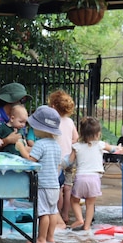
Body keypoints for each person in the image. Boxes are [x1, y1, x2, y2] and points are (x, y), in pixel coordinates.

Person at [14, 105, 63, 243]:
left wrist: (21, 148)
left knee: (43, 213)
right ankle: (50, 237)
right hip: (54, 185)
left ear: (41, 128)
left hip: (43, 185)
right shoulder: (56, 145)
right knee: (53, 212)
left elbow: (31, 161)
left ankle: (41, 238)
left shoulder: (40, 144)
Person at [64, 117, 123, 231]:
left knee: (74, 200)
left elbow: (69, 161)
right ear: (98, 134)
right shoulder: (100, 145)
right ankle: (87, 226)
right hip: (95, 178)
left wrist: (61, 163)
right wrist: (119, 148)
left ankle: (79, 219)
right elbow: (113, 150)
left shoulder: (76, 147)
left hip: (80, 178)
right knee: (90, 204)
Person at [48, 89, 79, 228]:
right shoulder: (70, 122)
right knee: (68, 188)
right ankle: (66, 214)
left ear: (53, 106)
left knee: (58, 188)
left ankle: (57, 213)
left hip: (57, 160)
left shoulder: (52, 122)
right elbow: (76, 138)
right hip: (70, 158)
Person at [0, 82, 32, 151]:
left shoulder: (20, 117)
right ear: (9, 100)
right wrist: (7, 141)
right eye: (21, 100)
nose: (23, 103)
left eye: (24, 100)